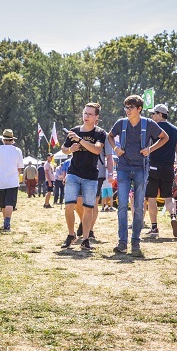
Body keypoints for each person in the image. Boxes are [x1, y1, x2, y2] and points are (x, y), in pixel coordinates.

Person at [107, 95, 168, 256]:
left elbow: (164, 137)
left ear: (139, 109)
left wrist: (150, 149)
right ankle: (122, 242)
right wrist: (115, 149)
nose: (127, 110)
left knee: (139, 206)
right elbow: (110, 136)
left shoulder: (148, 124)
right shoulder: (121, 123)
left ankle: (135, 242)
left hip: (141, 168)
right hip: (123, 168)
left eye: (130, 107)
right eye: (125, 107)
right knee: (121, 206)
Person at [60, 102, 106, 250]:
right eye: (85, 113)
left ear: (96, 117)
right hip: (73, 173)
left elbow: (97, 150)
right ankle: (71, 234)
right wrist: (70, 149)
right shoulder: (74, 131)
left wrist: (79, 140)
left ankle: (85, 238)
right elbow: (64, 149)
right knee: (69, 206)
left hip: (91, 175)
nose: (86, 116)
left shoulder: (100, 133)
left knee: (88, 208)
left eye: (90, 114)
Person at [144, 104, 177, 238]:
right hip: (168, 167)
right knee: (168, 196)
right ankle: (173, 216)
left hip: (153, 166)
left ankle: (154, 228)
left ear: (160, 114)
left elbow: (147, 146)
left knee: (152, 198)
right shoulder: (176, 130)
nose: (151, 116)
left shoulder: (154, 128)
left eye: (153, 114)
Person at [0, 129, 24, 232]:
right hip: (13, 180)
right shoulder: (17, 151)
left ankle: (5, 221)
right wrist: (16, 175)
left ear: (3, 139)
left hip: (0, 180)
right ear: (12, 139)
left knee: (3, 203)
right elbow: (20, 167)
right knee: (10, 203)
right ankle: (7, 223)